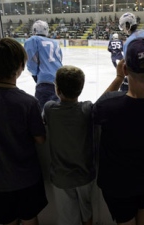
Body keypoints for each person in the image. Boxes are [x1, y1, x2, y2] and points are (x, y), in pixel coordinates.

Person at [92, 38, 144, 225]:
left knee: (125, 219)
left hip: (117, 184)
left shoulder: (109, 106)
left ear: (125, 68)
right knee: (142, 208)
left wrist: (118, 79)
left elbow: (95, 111)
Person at [0, 38, 48, 225]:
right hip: (26, 179)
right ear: (20, 66)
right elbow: (40, 139)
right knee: (29, 219)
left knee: (6, 221)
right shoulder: (27, 102)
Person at [42, 65, 96, 225]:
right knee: (87, 212)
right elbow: (103, 101)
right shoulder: (86, 109)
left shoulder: (49, 108)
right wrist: (119, 78)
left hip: (61, 177)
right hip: (85, 175)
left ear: (57, 89)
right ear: (80, 89)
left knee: (67, 218)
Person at [24, 20, 63, 109]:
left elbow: (31, 60)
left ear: (34, 30)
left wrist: (35, 75)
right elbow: (60, 59)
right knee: (56, 111)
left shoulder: (32, 40)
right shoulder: (55, 42)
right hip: (59, 80)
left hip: (45, 82)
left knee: (41, 113)